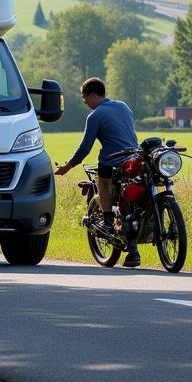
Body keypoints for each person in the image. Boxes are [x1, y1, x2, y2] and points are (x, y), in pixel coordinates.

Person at [54, 77, 141, 267]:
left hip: (113, 161)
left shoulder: (95, 116)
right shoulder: (123, 106)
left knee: (103, 178)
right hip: (135, 159)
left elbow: (85, 148)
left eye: (85, 98)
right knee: (132, 199)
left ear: (93, 95)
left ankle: (108, 216)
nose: (85, 103)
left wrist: (67, 167)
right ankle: (133, 246)